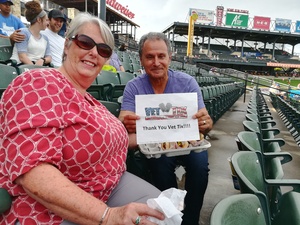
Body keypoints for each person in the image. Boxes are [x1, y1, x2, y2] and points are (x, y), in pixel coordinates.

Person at [0, 13, 164, 225]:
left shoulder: (90, 100)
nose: (94, 52)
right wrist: (108, 216)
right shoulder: (37, 83)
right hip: (52, 212)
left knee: (165, 214)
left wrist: (165, 133)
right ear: (67, 45)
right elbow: (34, 173)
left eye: (103, 50)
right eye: (85, 42)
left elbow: (120, 143)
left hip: (109, 189)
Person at [119, 32, 213, 225]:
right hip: (155, 147)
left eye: (161, 56)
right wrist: (125, 123)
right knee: (160, 166)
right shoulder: (133, 87)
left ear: (170, 57)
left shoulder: (187, 83)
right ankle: (170, 218)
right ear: (141, 59)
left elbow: (204, 122)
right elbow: (123, 120)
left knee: (199, 166)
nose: (156, 62)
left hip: (187, 143)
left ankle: (191, 219)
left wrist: (206, 124)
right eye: (149, 57)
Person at [10, 1, 51, 66]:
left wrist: (43, 60)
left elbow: (49, 57)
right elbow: (22, 57)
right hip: (20, 67)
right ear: (39, 20)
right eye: (46, 20)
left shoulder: (45, 38)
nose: (48, 23)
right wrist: (35, 68)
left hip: (36, 69)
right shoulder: (23, 32)